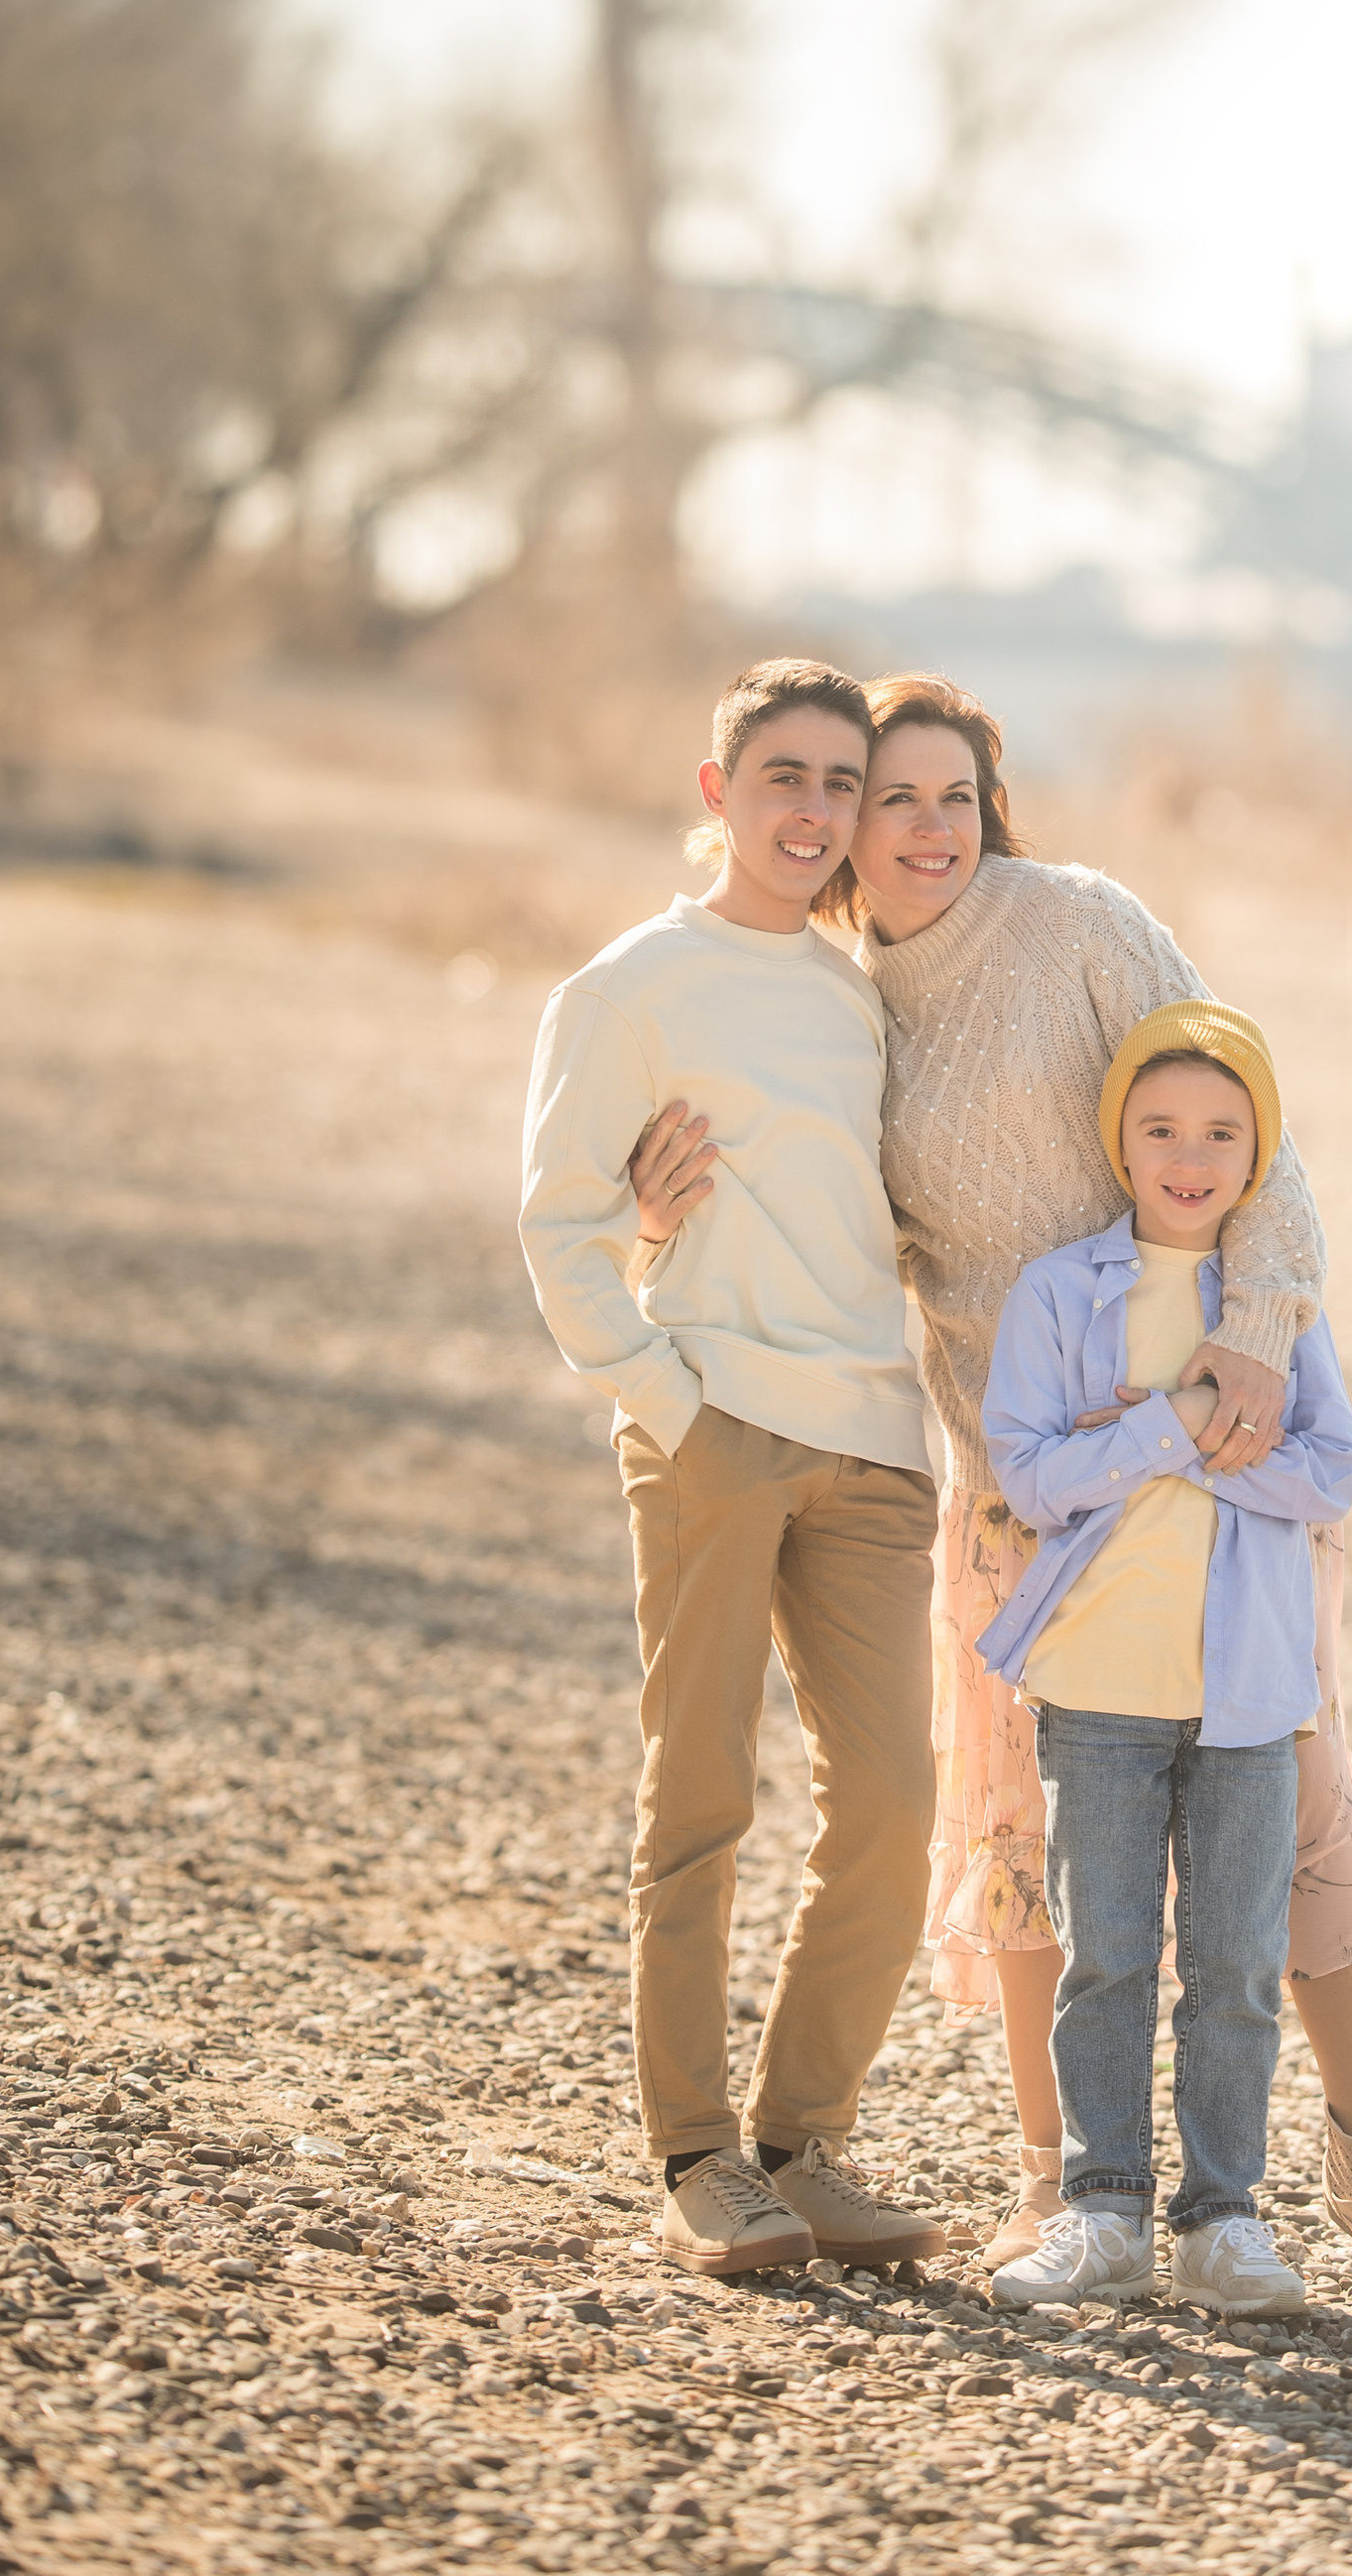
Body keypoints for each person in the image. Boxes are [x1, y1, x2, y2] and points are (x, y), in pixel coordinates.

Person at [631, 671, 1352, 2316]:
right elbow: (795, 1214)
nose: (926, 830)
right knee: (1026, 1841)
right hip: (1021, 1488)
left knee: (1288, 1815)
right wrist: (658, 1226)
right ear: (841, 827)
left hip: (1225, 1454)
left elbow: (1259, 1146)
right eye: (893, 801)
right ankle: (1063, 2196)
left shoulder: (1081, 922)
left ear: (989, 808)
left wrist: (1246, 1339)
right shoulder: (839, 998)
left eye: (955, 797)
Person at [518, 659, 948, 2279]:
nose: (818, 811)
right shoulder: (628, 985)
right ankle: (698, 2155)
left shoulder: (860, 987)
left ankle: (803, 2139)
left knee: (895, 1803)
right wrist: (664, 1392)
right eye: (788, 776)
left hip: (873, 1441)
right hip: (711, 1424)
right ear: (720, 789)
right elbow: (557, 1223)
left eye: (844, 783)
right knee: (698, 1797)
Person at [978, 1005, 1352, 2314]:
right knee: (1107, 1953)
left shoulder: (1274, 1309)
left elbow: (1332, 1469)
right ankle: (1102, 2213)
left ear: (1257, 1155)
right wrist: (1179, 1421)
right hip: (1097, 1685)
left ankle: (1223, 2221)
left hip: (1249, 1694)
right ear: (1120, 1144)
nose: (1187, 1154)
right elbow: (1032, 1474)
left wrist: (1178, 1436)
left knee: (1237, 1963)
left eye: (1219, 1131)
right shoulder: (1059, 1290)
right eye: (1159, 1129)